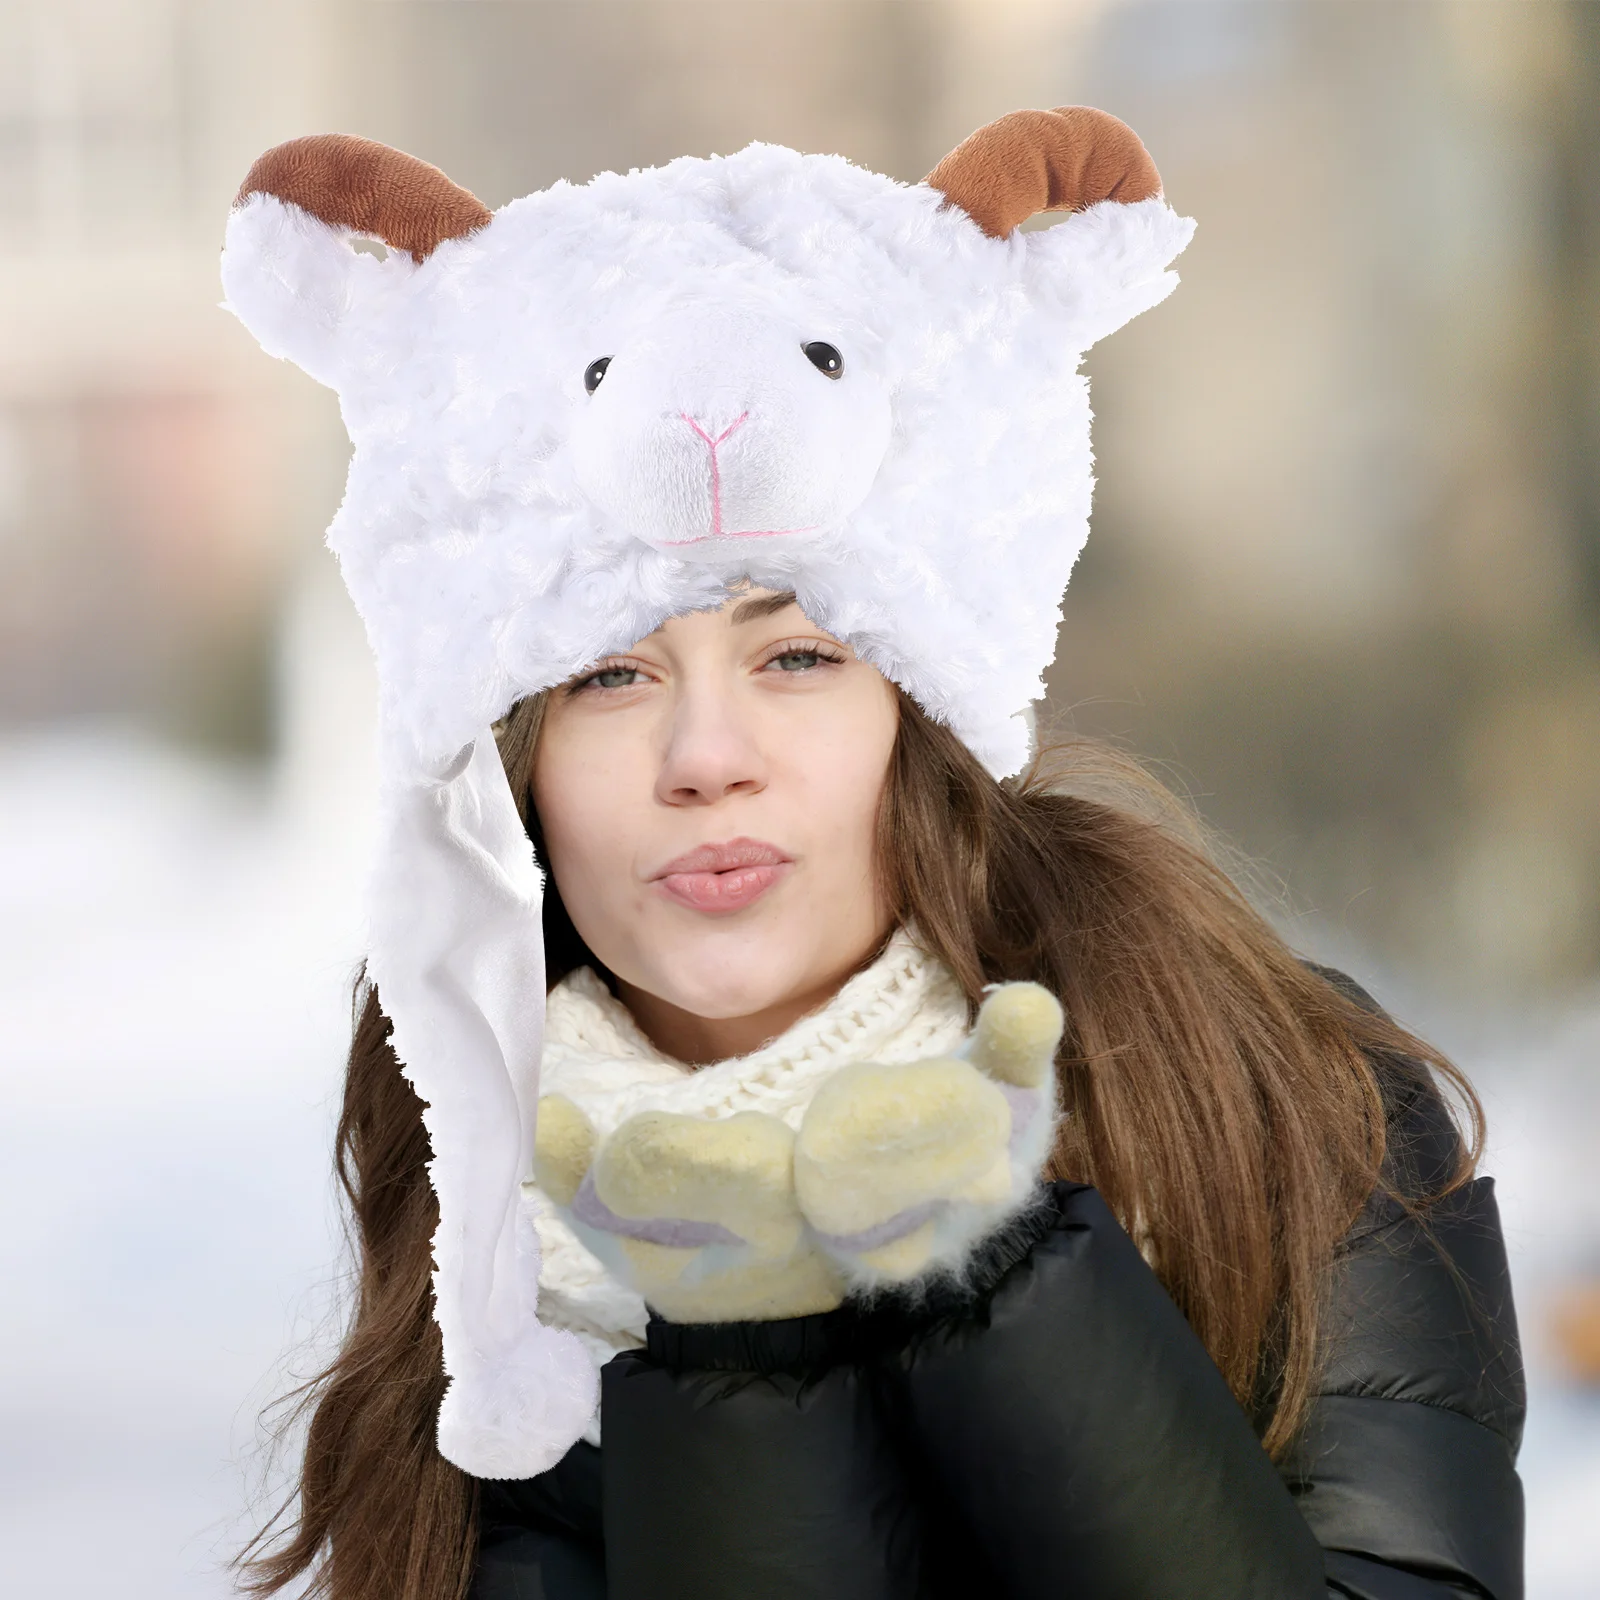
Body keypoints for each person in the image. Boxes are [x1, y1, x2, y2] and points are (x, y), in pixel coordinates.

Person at [223, 110, 1522, 1600]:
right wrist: (744, 1337)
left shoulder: (1268, 1086)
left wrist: (986, 1268)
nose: (705, 757)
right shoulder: (493, 1205)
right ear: (509, 763)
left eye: (799, 658)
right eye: (608, 677)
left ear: (923, 705)